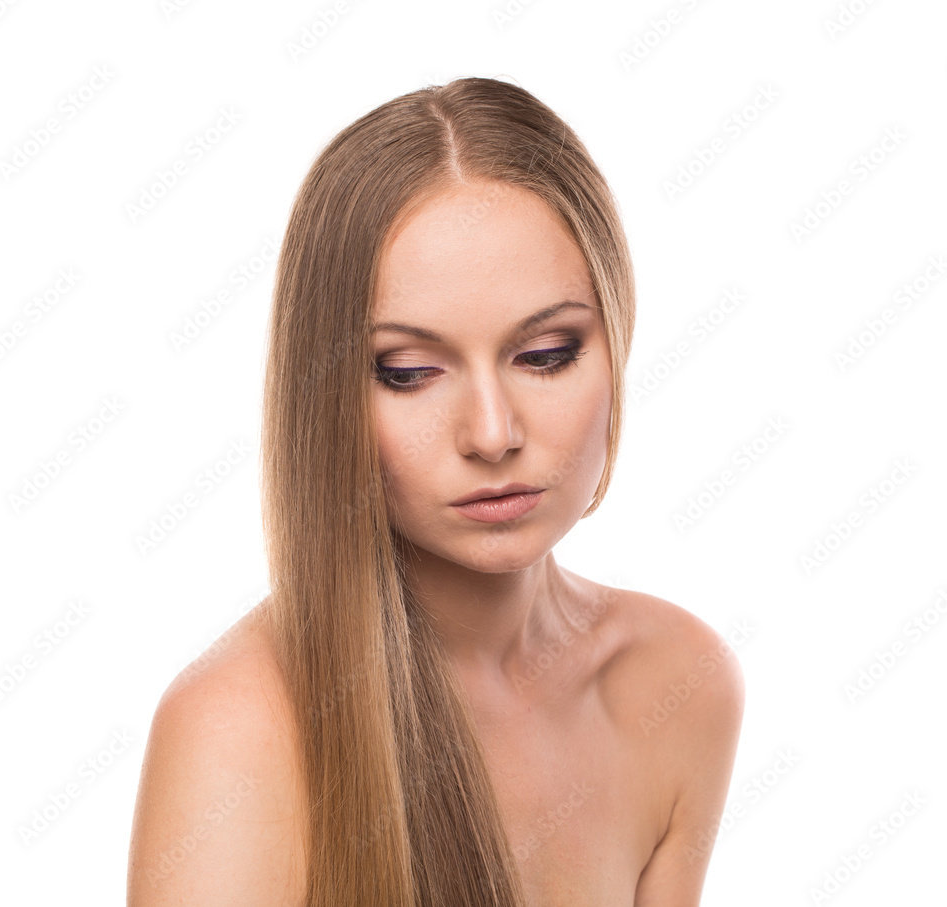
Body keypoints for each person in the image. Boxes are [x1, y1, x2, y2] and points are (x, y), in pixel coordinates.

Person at [126, 75, 744, 906]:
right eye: (410, 371)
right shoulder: (235, 732)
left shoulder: (679, 683)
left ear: (618, 336)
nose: (491, 433)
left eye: (546, 354)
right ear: (326, 391)